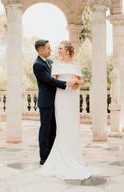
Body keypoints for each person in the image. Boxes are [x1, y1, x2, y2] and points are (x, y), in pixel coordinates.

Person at [38, 40, 99, 180]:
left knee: (72, 126)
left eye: (60, 48)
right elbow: (52, 83)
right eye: (58, 48)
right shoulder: (55, 65)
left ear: (67, 50)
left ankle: (73, 156)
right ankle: (60, 157)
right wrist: (66, 83)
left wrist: (75, 82)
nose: (58, 50)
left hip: (72, 98)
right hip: (61, 98)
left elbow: (81, 82)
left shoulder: (75, 66)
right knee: (62, 126)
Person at [33, 40, 78, 166]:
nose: (50, 50)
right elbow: (49, 81)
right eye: (48, 48)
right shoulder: (37, 65)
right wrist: (67, 84)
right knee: (45, 130)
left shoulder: (51, 62)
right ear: (40, 50)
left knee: (54, 129)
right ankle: (44, 158)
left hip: (57, 100)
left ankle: (53, 155)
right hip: (46, 101)